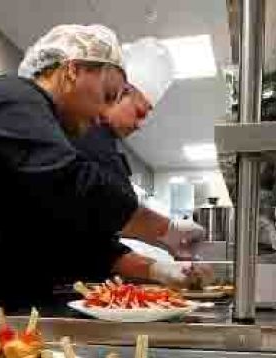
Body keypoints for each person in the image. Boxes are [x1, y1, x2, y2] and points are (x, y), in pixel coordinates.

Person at [0, 25, 204, 317]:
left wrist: (158, 270)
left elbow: (68, 238)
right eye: (107, 96)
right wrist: (167, 229)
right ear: (73, 70)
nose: (103, 114)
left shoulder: (51, 131)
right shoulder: (11, 96)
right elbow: (74, 187)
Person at [74, 38, 207, 287]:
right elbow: (107, 205)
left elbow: (94, 237)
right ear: (119, 92)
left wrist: (157, 268)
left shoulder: (103, 142)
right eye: (140, 112)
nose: (139, 124)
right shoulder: (87, 134)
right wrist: (169, 230)